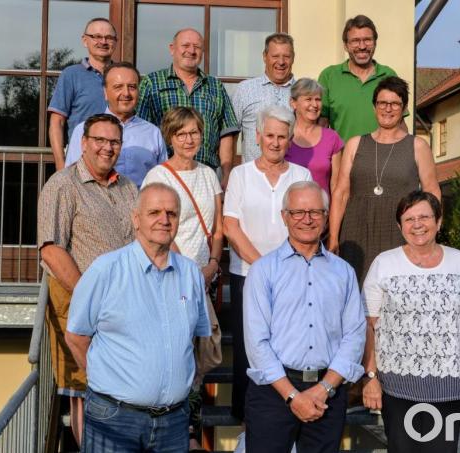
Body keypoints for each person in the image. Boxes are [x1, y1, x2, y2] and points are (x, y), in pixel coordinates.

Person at [66, 182, 212, 453]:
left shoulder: (191, 274)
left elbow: (198, 340)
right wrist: (108, 379)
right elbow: (76, 336)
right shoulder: (105, 270)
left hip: (173, 423)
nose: (164, 220)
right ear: (136, 219)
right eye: (154, 212)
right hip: (115, 419)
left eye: (172, 213)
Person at [361, 190, 460, 452]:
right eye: (409, 219)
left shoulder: (459, 261)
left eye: (424, 217)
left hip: (448, 387)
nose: (417, 224)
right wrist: (370, 376)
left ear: (439, 221)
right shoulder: (384, 264)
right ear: (399, 226)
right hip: (398, 388)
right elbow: (368, 326)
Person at [243, 181, 366, 453]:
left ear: (325, 216)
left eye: (315, 212)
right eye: (298, 212)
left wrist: (323, 388)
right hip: (273, 393)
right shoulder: (263, 271)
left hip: (328, 393)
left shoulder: (343, 272)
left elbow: (355, 335)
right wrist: (292, 396)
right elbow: (256, 342)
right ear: (284, 217)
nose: (306, 219)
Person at [37, 113, 137, 446]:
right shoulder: (62, 185)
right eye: (100, 140)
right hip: (80, 304)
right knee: (83, 389)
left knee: (120, 385)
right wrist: (89, 298)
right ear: (83, 143)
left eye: (114, 142)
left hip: (126, 308)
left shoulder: (128, 188)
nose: (107, 148)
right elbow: (51, 250)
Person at [141, 106, 224, 451]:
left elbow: (218, 225)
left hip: (205, 275)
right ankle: (181, 430)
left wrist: (214, 263)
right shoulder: (158, 176)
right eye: (181, 134)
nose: (189, 139)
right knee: (177, 351)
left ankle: (190, 424)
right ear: (170, 137)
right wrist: (191, 270)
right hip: (172, 274)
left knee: (204, 351)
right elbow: (159, 228)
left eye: (194, 132)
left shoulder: (208, 174)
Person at [223, 104, 312, 422]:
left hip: (293, 275)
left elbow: (307, 223)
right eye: (270, 135)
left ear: (290, 139)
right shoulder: (240, 174)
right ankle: (247, 415)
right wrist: (263, 267)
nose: (275, 142)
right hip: (248, 274)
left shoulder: (302, 176)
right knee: (250, 349)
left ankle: (284, 410)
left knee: (286, 344)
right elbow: (230, 226)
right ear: (258, 137)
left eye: (282, 136)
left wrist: (282, 269)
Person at [328, 76, 441, 287]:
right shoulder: (354, 144)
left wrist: (431, 231)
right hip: (356, 231)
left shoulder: (417, 146)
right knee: (354, 293)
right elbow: (341, 192)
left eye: (395, 103)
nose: (388, 109)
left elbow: (432, 191)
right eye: (382, 103)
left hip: (399, 232)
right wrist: (334, 236)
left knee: (397, 292)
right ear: (374, 106)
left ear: (404, 107)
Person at [137, 28, 239, 189]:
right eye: (186, 45)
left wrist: (226, 174)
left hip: (207, 175)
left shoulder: (215, 86)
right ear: (172, 49)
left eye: (197, 47)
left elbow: (226, 132)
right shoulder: (152, 83)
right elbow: (141, 130)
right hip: (166, 175)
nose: (191, 51)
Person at [65, 62, 167, 187]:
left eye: (132, 87)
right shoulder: (84, 130)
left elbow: (163, 181)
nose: (126, 93)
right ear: (105, 93)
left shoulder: (153, 133)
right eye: (118, 87)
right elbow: (71, 178)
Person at [318, 14, 401, 143]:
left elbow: (400, 123)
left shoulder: (389, 75)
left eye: (367, 40)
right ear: (346, 46)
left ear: (375, 43)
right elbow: (321, 125)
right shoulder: (329, 76)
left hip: (383, 159)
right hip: (343, 159)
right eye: (355, 41)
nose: (362, 46)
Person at [48, 17, 117, 171]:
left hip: (117, 160)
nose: (103, 41)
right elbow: (56, 123)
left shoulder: (122, 76)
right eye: (97, 36)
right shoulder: (71, 75)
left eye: (109, 37)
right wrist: (61, 165)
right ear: (85, 40)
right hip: (80, 162)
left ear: (116, 42)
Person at [232, 32, 297, 163]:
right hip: (252, 177)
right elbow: (231, 134)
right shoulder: (245, 89)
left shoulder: (302, 92)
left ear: (293, 58)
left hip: (292, 177)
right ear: (264, 56)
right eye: (275, 56)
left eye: (286, 56)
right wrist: (229, 171)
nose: (281, 62)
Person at [285, 78, 343, 197]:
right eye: (308, 99)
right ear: (293, 103)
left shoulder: (332, 138)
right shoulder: (284, 136)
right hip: (289, 211)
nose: (315, 105)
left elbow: (336, 186)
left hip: (321, 212)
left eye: (318, 99)